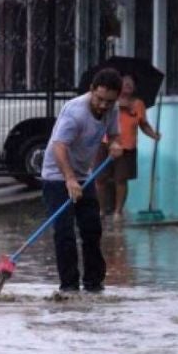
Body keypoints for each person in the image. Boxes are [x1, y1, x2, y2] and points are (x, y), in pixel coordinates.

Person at [40, 68, 124, 292]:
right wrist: (69, 179)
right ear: (91, 90)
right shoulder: (75, 112)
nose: (103, 105)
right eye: (100, 99)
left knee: (92, 229)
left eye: (109, 101)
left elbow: (113, 135)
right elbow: (59, 146)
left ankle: (94, 284)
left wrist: (115, 144)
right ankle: (69, 287)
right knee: (65, 232)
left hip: (84, 176)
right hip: (57, 176)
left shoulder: (112, 109)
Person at [94, 75, 161, 222]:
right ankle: (101, 210)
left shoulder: (138, 104)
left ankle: (118, 211)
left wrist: (154, 135)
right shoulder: (110, 100)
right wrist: (117, 105)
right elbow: (98, 115)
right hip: (106, 144)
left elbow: (143, 124)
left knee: (121, 180)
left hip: (127, 147)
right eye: (124, 83)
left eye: (131, 83)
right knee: (100, 178)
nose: (128, 85)